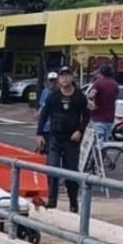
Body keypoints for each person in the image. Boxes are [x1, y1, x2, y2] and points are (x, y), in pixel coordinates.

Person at [36, 66, 90, 213]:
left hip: (72, 140)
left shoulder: (79, 96)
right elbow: (44, 115)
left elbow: (86, 115)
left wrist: (80, 130)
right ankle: (52, 201)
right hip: (54, 138)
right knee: (52, 168)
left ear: (72, 78)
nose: (64, 79)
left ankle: (73, 202)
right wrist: (39, 134)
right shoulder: (53, 96)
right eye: (62, 76)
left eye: (67, 75)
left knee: (71, 172)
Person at [88, 64, 119, 142]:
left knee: (98, 142)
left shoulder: (98, 83)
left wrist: (90, 100)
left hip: (98, 116)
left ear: (101, 72)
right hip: (110, 117)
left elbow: (91, 95)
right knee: (105, 143)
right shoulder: (115, 84)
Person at [35, 71, 59, 153]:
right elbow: (42, 104)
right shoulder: (45, 92)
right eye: (51, 80)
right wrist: (38, 113)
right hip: (46, 125)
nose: (52, 83)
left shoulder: (59, 92)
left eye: (54, 80)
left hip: (55, 125)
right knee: (43, 146)